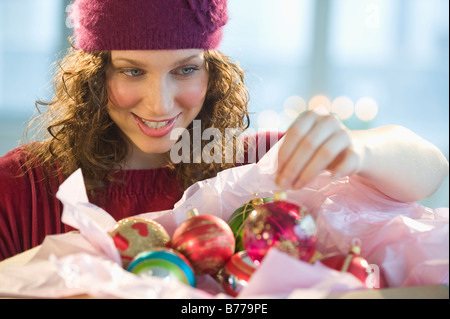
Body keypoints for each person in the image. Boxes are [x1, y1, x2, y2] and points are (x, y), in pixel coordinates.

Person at [0, 0, 447, 261]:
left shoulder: (256, 165)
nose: (160, 103)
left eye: (185, 69)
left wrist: (360, 148)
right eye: (132, 72)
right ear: (96, 78)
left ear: (213, 75)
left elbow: (430, 170)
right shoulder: (24, 188)